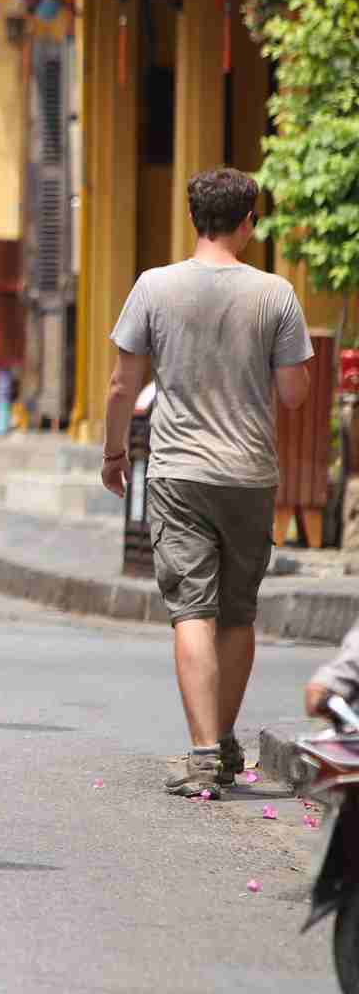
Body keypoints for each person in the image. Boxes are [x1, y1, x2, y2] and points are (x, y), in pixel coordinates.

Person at [101, 167, 313, 797]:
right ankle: (222, 744)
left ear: (194, 219)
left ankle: (200, 756)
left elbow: (120, 384)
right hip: (249, 474)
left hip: (178, 471)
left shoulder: (153, 287)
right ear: (249, 222)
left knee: (191, 608)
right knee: (237, 613)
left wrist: (114, 452)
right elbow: (296, 395)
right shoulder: (276, 294)